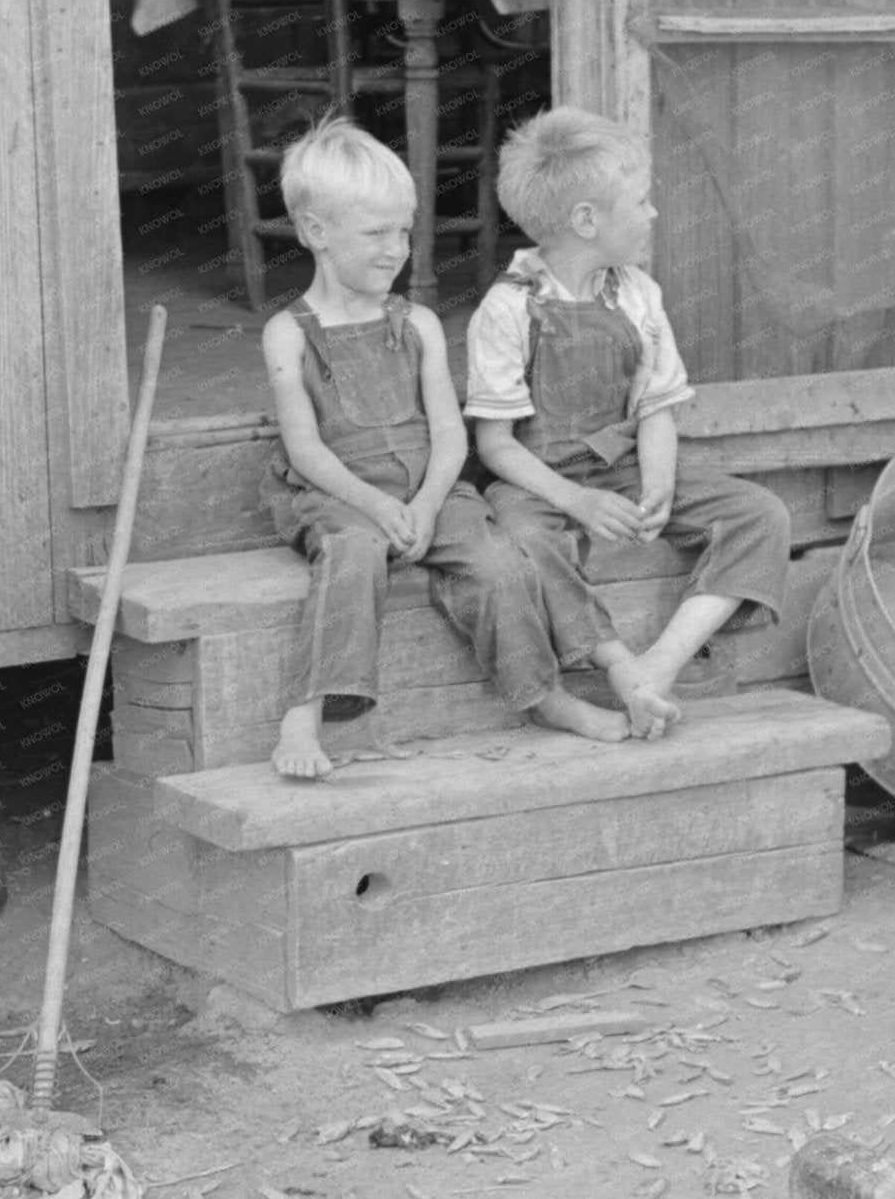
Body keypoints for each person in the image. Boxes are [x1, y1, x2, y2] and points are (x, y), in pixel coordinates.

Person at [261, 117, 630, 779]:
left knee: (499, 561)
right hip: (339, 492)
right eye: (375, 233)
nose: (395, 249)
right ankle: (305, 711)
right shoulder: (289, 334)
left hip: (430, 486)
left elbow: (451, 432)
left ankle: (543, 694)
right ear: (316, 233)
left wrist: (429, 505)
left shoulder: (420, 324)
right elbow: (306, 450)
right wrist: (375, 504)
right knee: (351, 553)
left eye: (403, 232)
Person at [466, 107, 789, 740]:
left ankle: (658, 667)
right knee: (525, 540)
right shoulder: (507, 309)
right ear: (586, 221)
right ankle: (616, 666)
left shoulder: (639, 294)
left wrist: (658, 485)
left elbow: (656, 409)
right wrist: (575, 500)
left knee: (761, 513)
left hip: (623, 467)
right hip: (540, 480)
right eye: (640, 202)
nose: (653, 214)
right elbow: (495, 445)